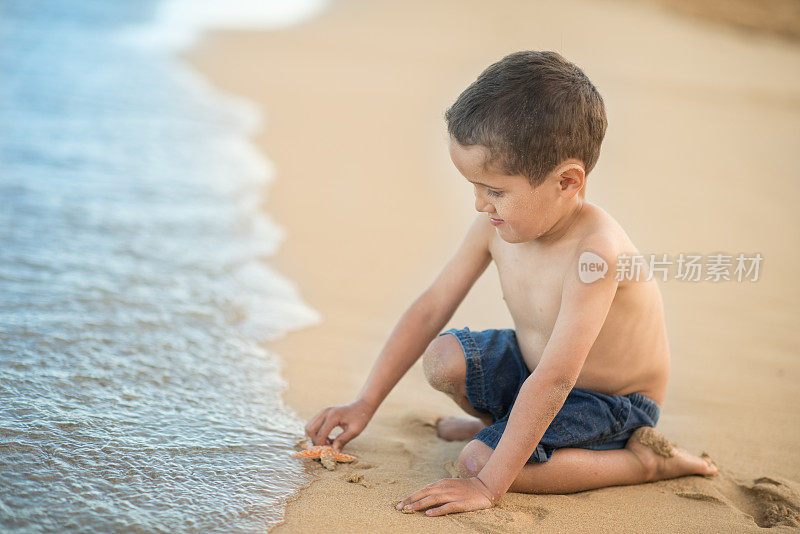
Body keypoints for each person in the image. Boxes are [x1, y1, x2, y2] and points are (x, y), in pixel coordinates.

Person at [304, 50, 717, 517]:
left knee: (479, 461)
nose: (481, 205)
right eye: (475, 187)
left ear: (567, 181)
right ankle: (505, 430)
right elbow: (431, 307)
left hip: (611, 404)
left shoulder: (595, 255)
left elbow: (559, 378)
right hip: (537, 373)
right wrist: (364, 402)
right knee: (444, 357)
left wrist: (487, 484)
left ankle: (638, 462)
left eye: (495, 191)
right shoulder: (496, 225)